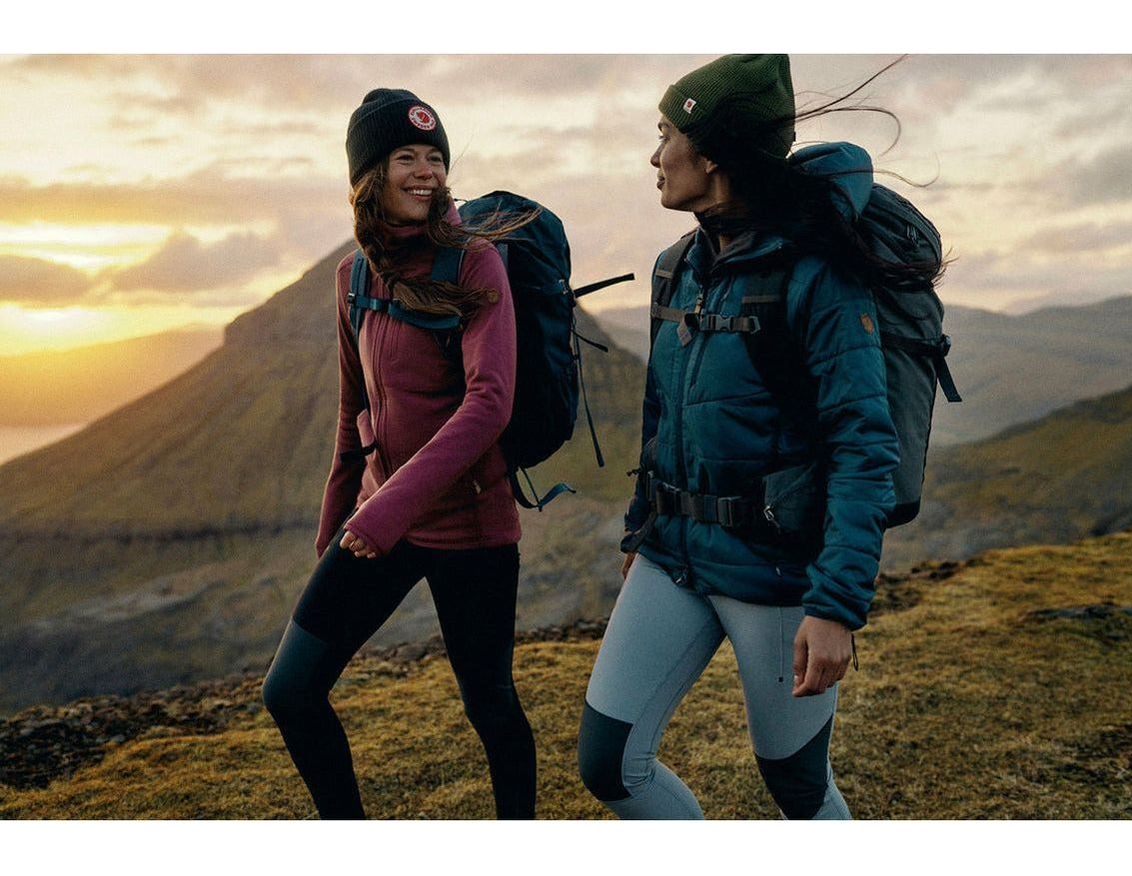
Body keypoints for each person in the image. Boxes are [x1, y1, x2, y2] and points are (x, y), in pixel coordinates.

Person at [578, 55, 933, 819]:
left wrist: (836, 606)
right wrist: (643, 527)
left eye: (666, 134)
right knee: (608, 763)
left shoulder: (815, 273)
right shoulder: (676, 267)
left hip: (775, 573)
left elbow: (864, 445)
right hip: (673, 554)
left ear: (712, 155)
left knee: (796, 787)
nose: (654, 155)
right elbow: (662, 414)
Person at [262, 89, 536, 820]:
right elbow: (351, 411)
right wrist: (335, 528)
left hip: (471, 528)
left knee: (490, 704)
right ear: (368, 176)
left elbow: (489, 404)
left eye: (435, 157)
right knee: (290, 691)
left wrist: (386, 512)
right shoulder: (352, 277)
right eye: (406, 157)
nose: (426, 172)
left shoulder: (475, 263)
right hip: (378, 520)